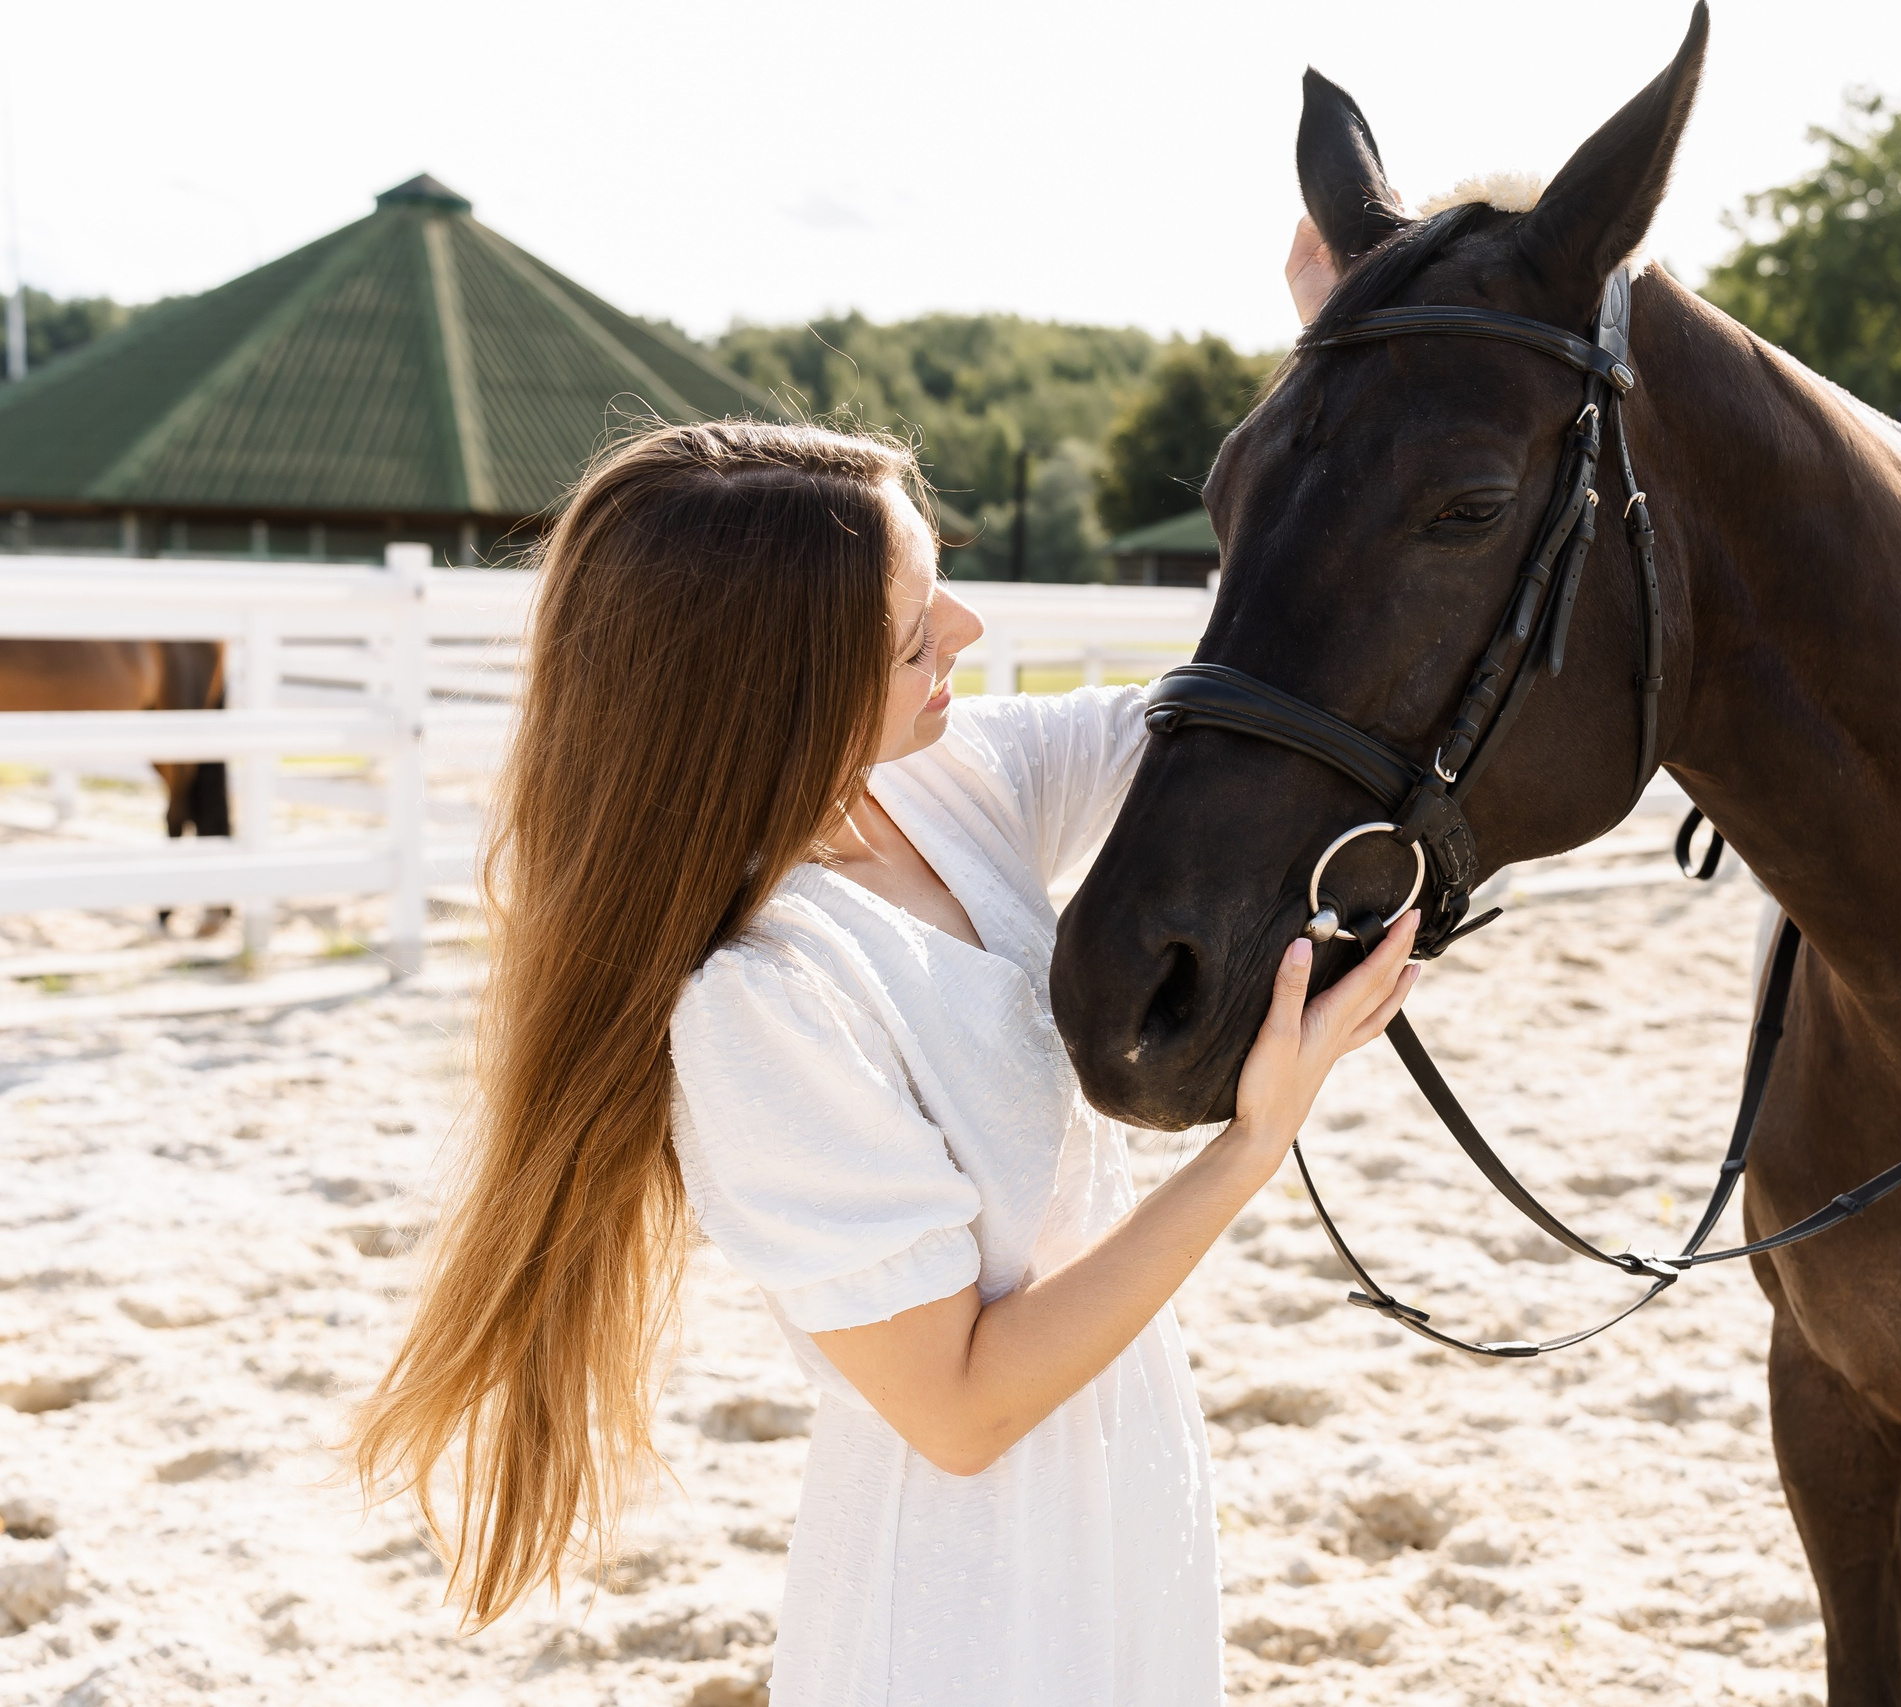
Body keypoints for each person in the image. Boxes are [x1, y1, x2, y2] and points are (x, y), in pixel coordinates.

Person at [352, 312, 1414, 1701]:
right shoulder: (761, 1002)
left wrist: (1358, 336)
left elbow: (1235, 719)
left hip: (1125, 1480)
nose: (965, 631)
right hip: (969, 1597)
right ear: (782, 690)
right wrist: (1247, 1146)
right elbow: (961, 1409)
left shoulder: (937, 785)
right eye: (917, 635)